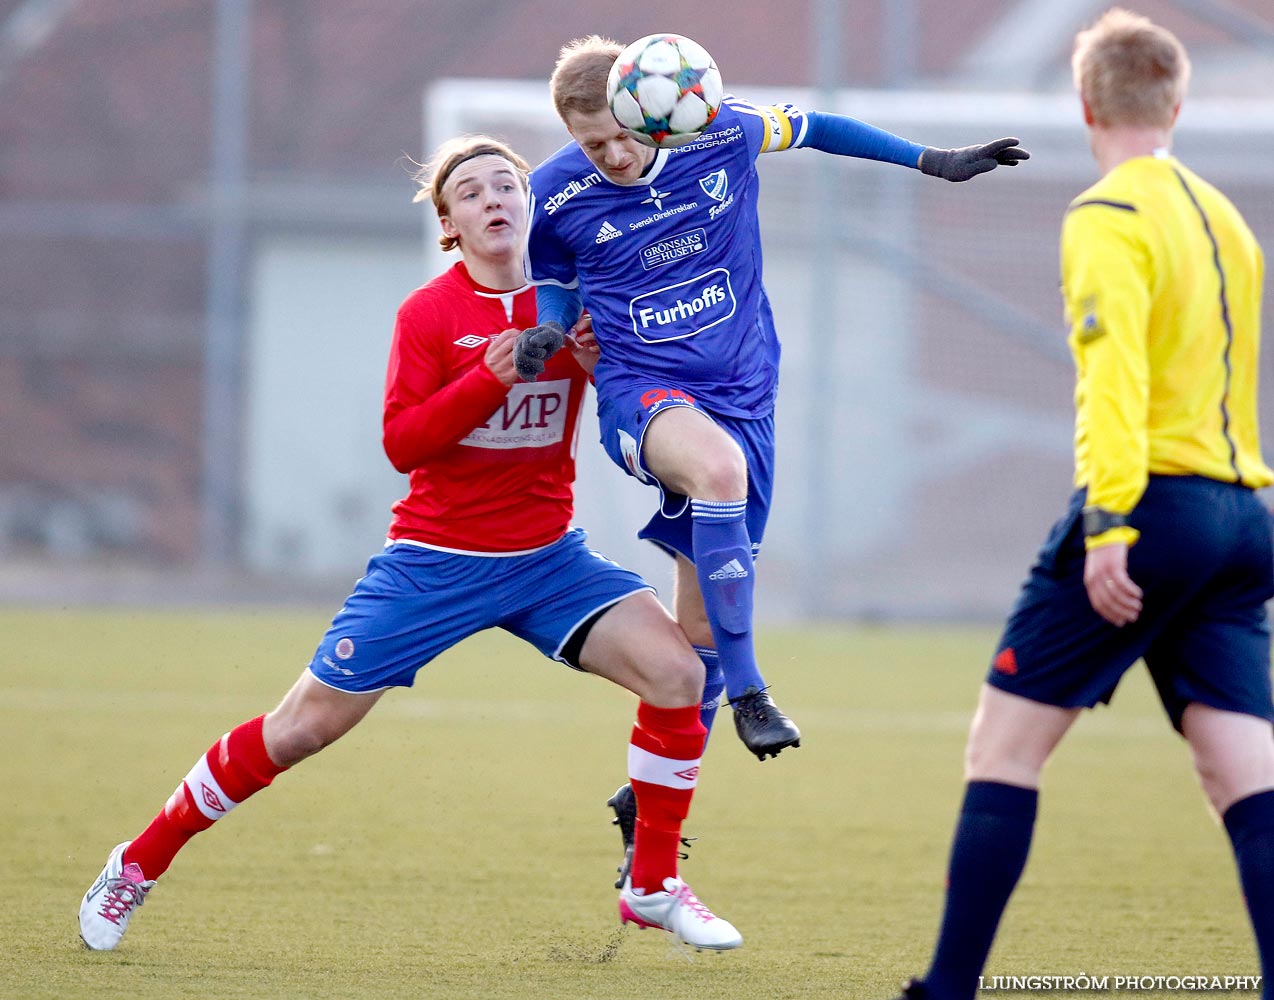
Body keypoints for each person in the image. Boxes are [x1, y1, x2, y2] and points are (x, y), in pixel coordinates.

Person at [77, 134, 743, 955]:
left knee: (678, 673)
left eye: (508, 185)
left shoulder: (572, 301)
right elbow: (404, 444)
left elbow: (630, 404)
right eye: (471, 192)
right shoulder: (429, 314)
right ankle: (135, 865)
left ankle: (650, 887)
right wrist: (489, 377)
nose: (494, 198)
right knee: (300, 729)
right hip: (435, 562)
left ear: (529, 207)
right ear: (449, 228)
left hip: (548, 560)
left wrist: (608, 369)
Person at [515, 35, 1028, 881]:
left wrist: (934, 161)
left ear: (652, 111)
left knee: (696, 637)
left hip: (745, 392)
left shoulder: (716, 131)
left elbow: (819, 124)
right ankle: (754, 691)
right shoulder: (555, 192)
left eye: (619, 136)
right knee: (718, 474)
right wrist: (543, 328)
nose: (609, 155)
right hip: (642, 395)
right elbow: (555, 276)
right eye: (590, 143)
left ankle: (645, 796)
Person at [894, 10, 1274, 998]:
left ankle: (943, 989)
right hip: (1242, 519)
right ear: (1176, 103)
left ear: (1082, 105)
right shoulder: (1225, 220)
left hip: (1152, 508)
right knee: (1242, 776)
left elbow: (1110, 380)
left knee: (1004, 746)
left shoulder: (1106, 216)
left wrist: (1109, 521)